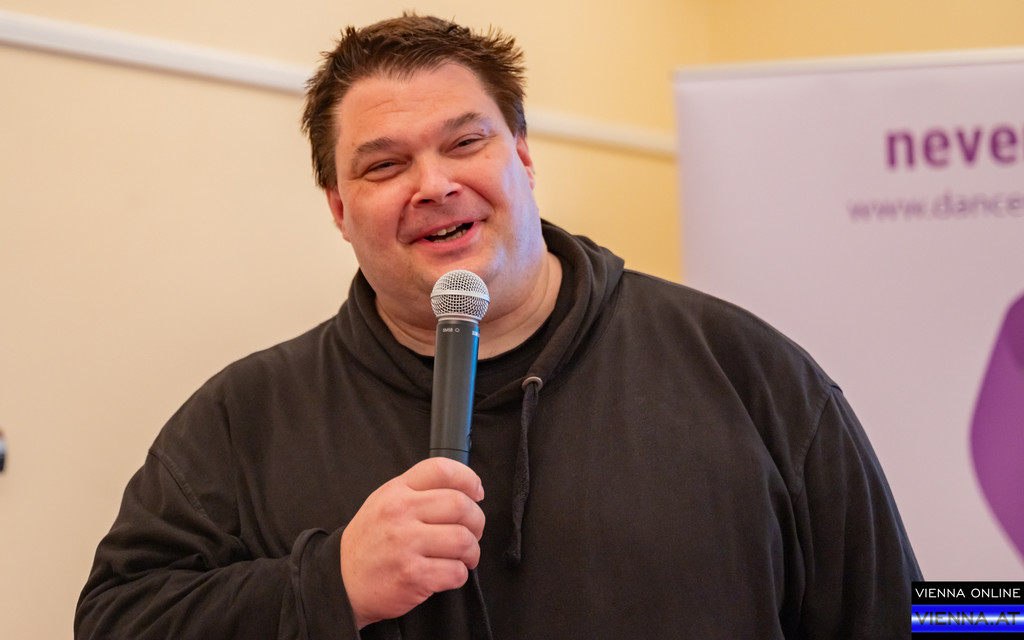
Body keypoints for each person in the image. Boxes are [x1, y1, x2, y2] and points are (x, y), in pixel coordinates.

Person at [75, 13, 921, 639]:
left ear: (521, 153)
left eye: (464, 143)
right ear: (339, 209)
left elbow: (916, 614)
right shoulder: (244, 420)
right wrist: (329, 583)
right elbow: (116, 619)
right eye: (384, 164)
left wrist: (985, 606)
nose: (433, 184)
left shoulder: (747, 371)